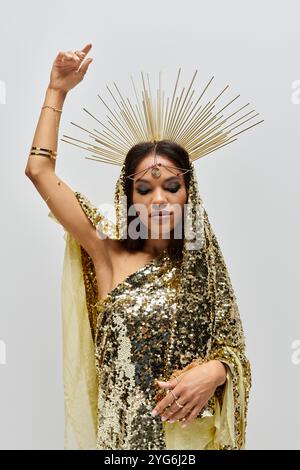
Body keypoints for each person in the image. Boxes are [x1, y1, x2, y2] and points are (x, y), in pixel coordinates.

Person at [25, 44, 254, 450]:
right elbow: (39, 171)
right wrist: (56, 91)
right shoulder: (106, 253)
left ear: (189, 193)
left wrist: (216, 372)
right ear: (128, 198)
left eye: (171, 186)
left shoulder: (205, 270)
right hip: (120, 447)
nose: (159, 200)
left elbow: (234, 351)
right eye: (144, 189)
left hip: (191, 445)